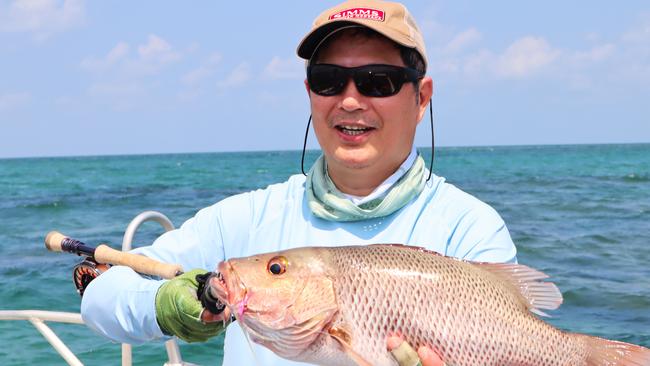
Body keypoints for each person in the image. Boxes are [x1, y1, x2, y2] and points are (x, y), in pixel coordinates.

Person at [81, 1, 517, 365]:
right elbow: (101, 297)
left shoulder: (470, 228)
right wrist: (165, 306)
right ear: (309, 92)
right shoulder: (250, 217)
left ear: (421, 98)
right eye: (329, 81)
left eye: (377, 82)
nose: (349, 100)